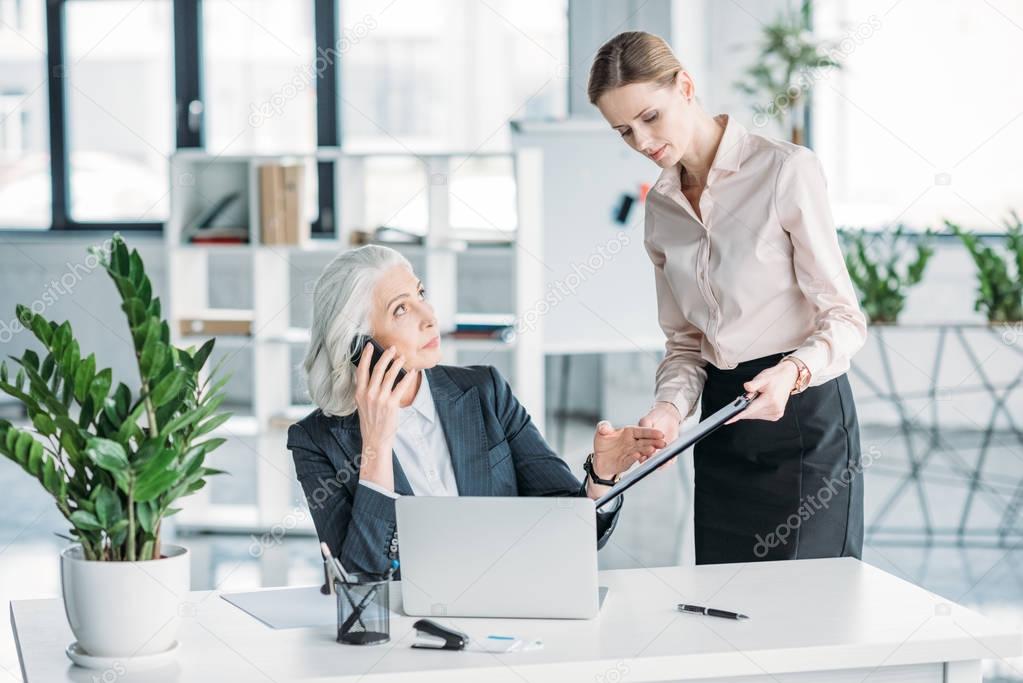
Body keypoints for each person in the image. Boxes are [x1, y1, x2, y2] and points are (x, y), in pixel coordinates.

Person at [588, 31, 868, 564]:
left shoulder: (786, 170)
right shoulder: (661, 208)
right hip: (720, 424)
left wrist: (791, 373)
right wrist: (669, 412)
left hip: (804, 421)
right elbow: (686, 343)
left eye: (650, 118)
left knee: (806, 614)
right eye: (623, 131)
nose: (642, 143)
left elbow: (845, 319)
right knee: (724, 611)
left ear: (686, 86)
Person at [287, 245, 666, 576]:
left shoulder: (484, 391)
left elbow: (571, 532)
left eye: (420, 293)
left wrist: (602, 476)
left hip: (510, 613)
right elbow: (360, 583)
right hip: (406, 637)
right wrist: (376, 448)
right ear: (358, 345)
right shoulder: (316, 441)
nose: (430, 315)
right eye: (401, 309)